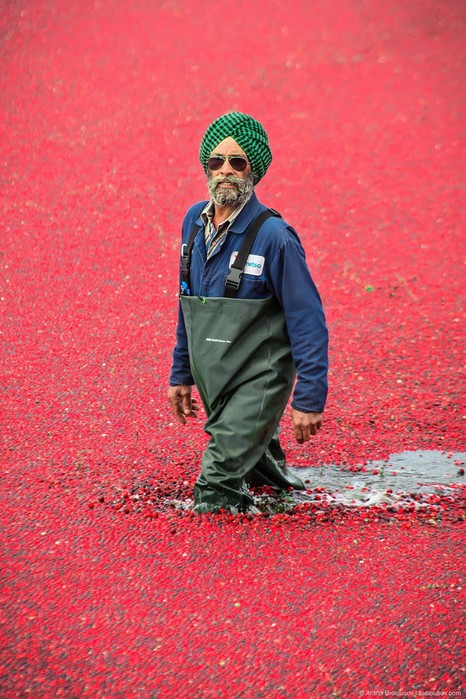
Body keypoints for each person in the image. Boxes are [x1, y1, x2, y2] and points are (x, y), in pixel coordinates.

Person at [168, 112, 328, 513]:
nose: (225, 170)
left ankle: (217, 559)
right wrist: (181, 373)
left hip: (261, 378)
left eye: (237, 162)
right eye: (216, 161)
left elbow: (308, 321)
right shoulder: (193, 222)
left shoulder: (275, 238)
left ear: (253, 170)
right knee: (258, 467)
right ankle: (284, 496)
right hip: (217, 376)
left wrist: (309, 398)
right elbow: (188, 305)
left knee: (218, 477)